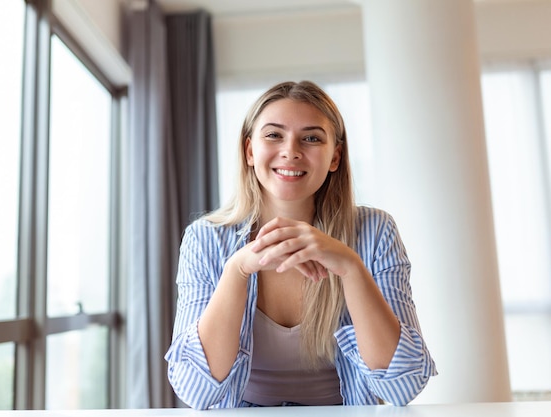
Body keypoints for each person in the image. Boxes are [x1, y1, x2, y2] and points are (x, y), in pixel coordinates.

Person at [164, 80, 437, 409]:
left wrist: (351, 267)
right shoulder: (205, 239)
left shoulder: (375, 232)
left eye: (311, 138)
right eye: (274, 135)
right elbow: (198, 393)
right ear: (250, 151)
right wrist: (238, 269)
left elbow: (403, 387)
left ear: (335, 156)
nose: (291, 150)